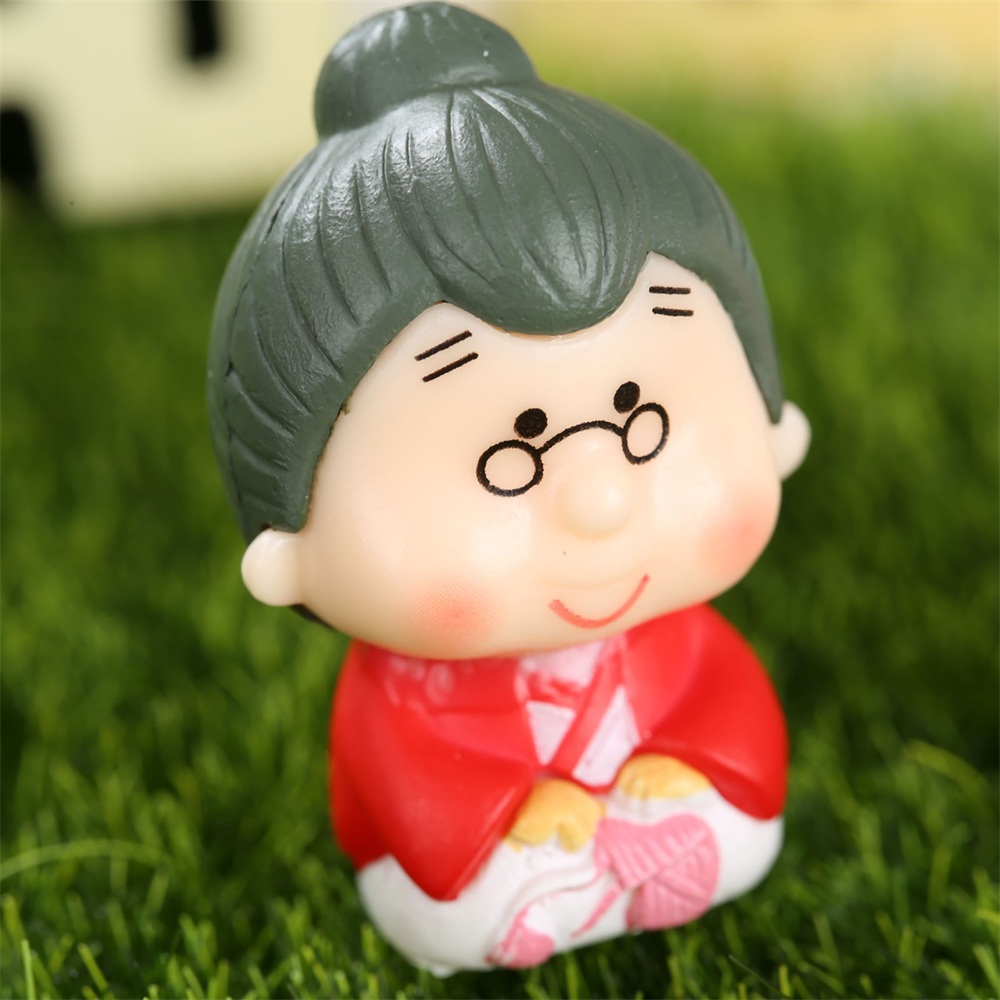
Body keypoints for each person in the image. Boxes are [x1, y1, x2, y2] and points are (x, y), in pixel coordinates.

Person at [207, 1, 810, 974]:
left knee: (733, 828)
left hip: (652, 801)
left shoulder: (676, 634)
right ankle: (552, 893)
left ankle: (645, 865)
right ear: (291, 547)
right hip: (496, 850)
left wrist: (682, 764)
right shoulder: (405, 687)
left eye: (642, 425)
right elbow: (406, 781)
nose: (601, 502)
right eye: (510, 461)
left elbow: (723, 701)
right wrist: (515, 811)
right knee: (457, 907)